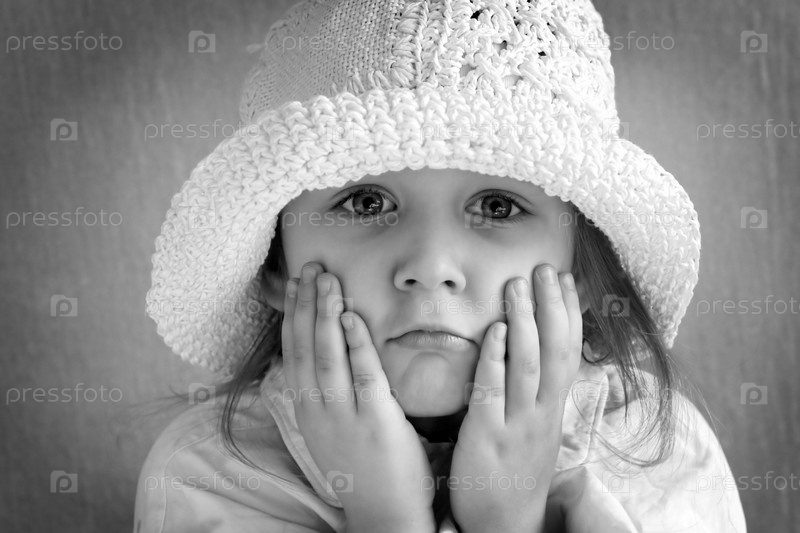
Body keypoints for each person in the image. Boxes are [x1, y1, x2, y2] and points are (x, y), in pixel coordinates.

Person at [134, 0, 747, 531]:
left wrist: (508, 516)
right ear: (274, 268)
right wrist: (386, 519)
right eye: (366, 203)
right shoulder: (212, 471)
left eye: (498, 206)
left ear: (584, 274)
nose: (431, 268)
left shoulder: (658, 453)